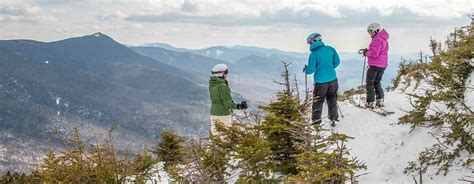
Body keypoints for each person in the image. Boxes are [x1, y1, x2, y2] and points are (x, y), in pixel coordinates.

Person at [304, 33, 340, 126]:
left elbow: (310, 70)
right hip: (333, 79)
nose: (310, 44)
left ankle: (316, 122)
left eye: (310, 42)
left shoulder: (314, 54)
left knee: (318, 101)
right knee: (332, 97)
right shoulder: (330, 49)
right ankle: (333, 117)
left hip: (320, 82)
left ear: (313, 41)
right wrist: (329, 68)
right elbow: (337, 62)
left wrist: (306, 70)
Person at [209, 64, 247, 134]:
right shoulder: (223, 87)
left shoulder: (212, 84)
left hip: (214, 113)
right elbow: (228, 104)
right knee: (225, 136)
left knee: (216, 134)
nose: (227, 74)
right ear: (221, 73)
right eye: (226, 72)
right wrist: (239, 106)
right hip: (223, 114)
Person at [359, 23, 389, 109]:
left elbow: (375, 54)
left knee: (369, 84)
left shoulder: (377, 39)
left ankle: (370, 102)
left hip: (375, 65)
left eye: (371, 31)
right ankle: (380, 100)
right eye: (369, 32)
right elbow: (379, 51)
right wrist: (369, 51)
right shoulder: (383, 39)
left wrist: (366, 53)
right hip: (383, 64)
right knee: (377, 83)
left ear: (376, 30)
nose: (370, 33)